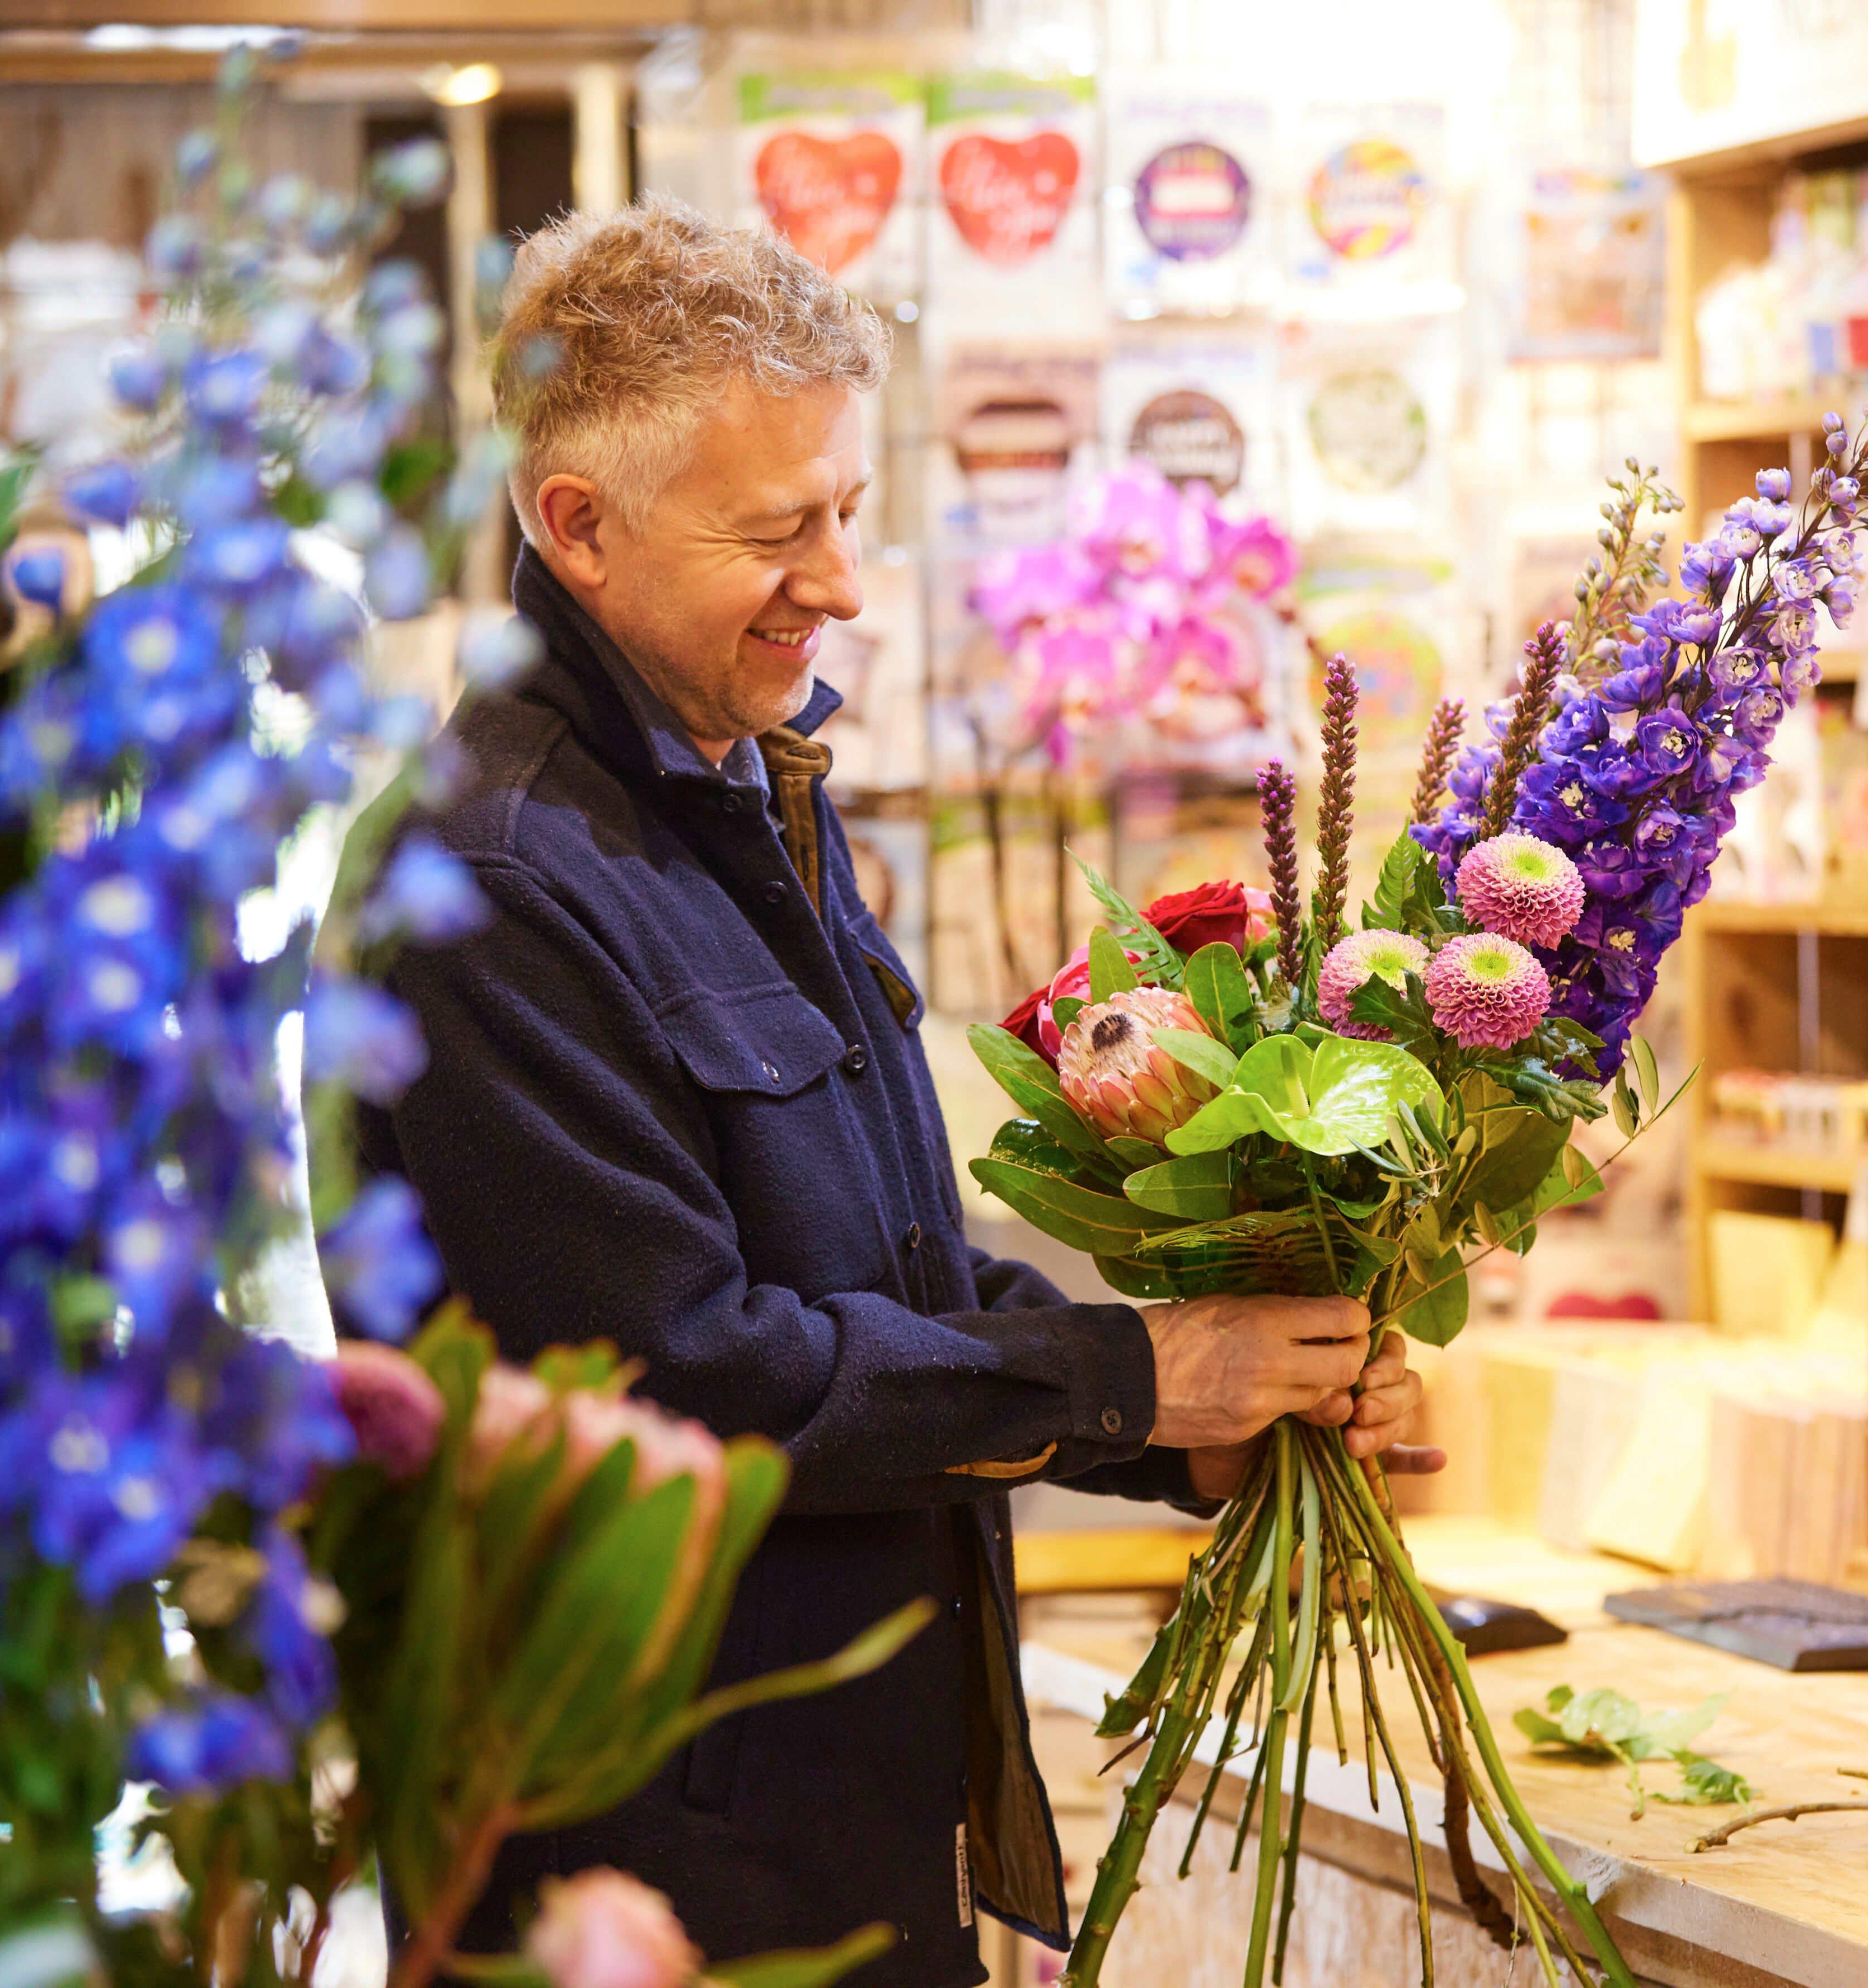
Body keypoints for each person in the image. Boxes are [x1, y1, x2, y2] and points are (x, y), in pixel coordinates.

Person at [358, 196, 1441, 1987]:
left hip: (847, 1829)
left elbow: (887, 1286)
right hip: (644, 1877)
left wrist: (1200, 1419)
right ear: (578, 526)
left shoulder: (747, 784)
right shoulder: (489, 878)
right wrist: (1135, 1375)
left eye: (848, 511)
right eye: (776, 531)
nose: (845, 582)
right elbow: (695, 1378)